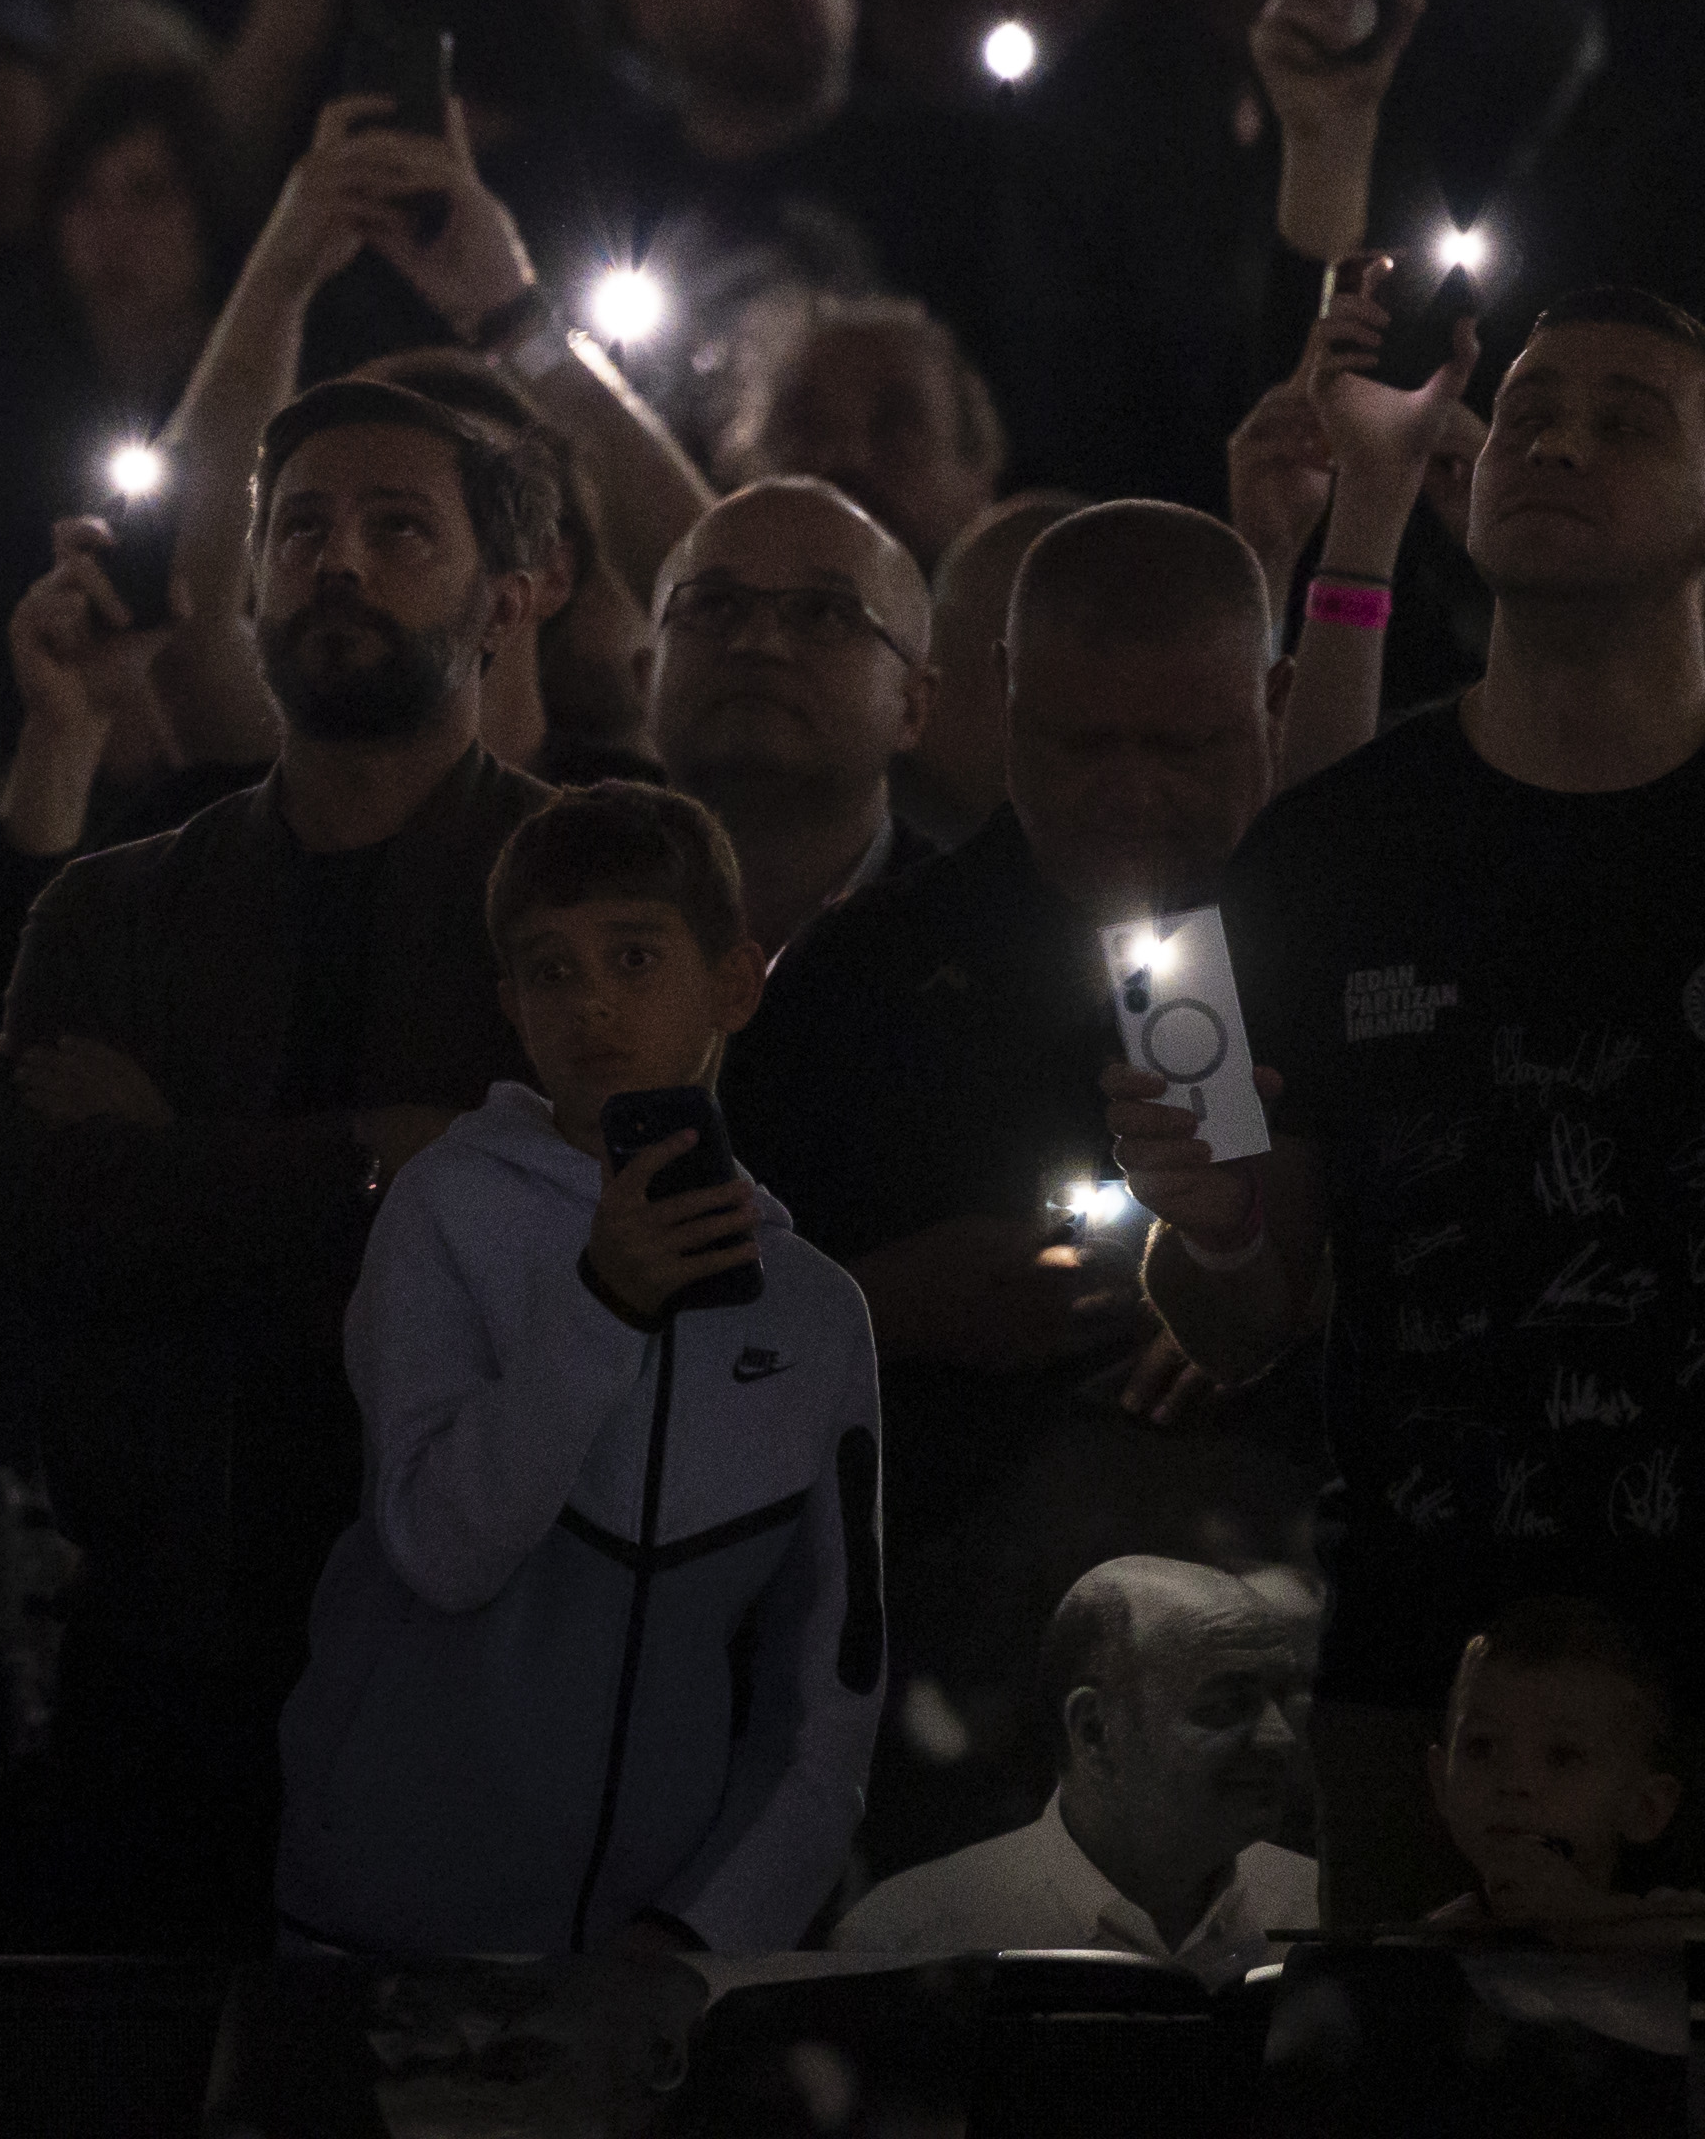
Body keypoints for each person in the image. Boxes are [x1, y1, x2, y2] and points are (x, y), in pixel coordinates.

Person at [1111, 290, 1705, 1929]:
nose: (1561, 443)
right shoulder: (1318, 858)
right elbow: (1229, 1320)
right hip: (1424, 1688)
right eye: (1527, 414)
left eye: (1633, 419)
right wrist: (1210, 1219)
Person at [0, 378, 568, 1949]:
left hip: (494, 1667)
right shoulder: (111, 912)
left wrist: (178, 1170)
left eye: (397, 528)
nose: (338, 564)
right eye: (301, 529)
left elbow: (568, 1251)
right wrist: (375, 1166)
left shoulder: (593, 902)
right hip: (162, 1648)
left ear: (505, 599)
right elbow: (32, 1225)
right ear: (246, 583)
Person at [735, 501, 1308, 1869]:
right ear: (1001, 696)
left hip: (1289, 1675)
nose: (1134, 790)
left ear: (1273, 700)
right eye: (1079, 744)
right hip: (932, 1687)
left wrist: (1251, 1286)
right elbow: (698, 1332)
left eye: (1185, 746)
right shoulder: (861, 977)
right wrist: (890, 1306)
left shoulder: (1346, 954)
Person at [274, 782, 880, 1958]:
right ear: (510, 1005)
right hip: (387, 1935)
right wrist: (605, 1298)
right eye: (551, 971)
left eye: (637, 955)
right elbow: (443, 1550)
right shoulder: (447, 1212)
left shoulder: (814, 1309)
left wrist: (704, 1931)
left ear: (735, 981)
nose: (593, 1000)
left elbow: (829, 1700)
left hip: (660, 1957)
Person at [832, 1558, 1322, 1978]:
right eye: (1228, 1704)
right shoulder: (912, 1939)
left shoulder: (1322, 1915)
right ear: (1094, 1731)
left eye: (1285, 1697)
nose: (1280, 1737)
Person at [640, 478, 933, 958]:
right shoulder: (544, 893)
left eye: (825, 613)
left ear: (913, 706)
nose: (758, 643)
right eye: (715, 603)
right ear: (644, 677)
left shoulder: (986, 947)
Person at [1421, 1599, 1699, 1938]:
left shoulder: (1672, 1926)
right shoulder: (1434, 1943)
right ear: (1441, 1783)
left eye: (1563, 1756)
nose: (1514, 1782)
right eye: (1481, 1748)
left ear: (1645, 1809)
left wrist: (1584, 1914)